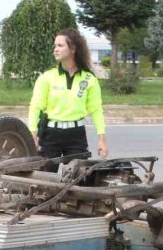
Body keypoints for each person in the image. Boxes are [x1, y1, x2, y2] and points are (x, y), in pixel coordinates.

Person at [28, 28, 107, 161]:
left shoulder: (89, 79)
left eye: (60, 45)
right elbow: (35, 107)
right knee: (45, 179)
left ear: (73, 48)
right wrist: (33, 136)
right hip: (50, 135)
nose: (55, 49)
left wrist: (102, 140)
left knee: (77, 180)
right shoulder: (47, 77)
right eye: (55, 46)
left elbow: (96, 110)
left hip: (76, 136)